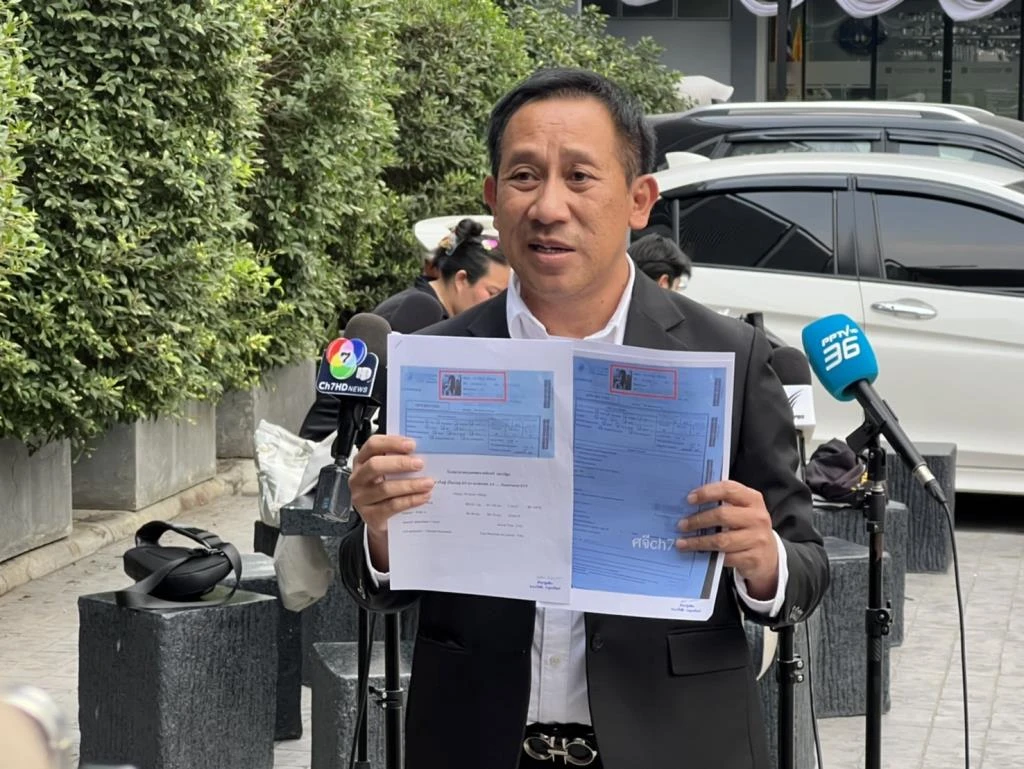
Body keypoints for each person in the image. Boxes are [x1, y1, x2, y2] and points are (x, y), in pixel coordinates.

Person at [340, 68, 829, 769]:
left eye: (579, 177)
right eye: (524, 176)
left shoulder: (729, 356)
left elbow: (806, 567)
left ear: (639, 199)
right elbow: (372, 578)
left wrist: (763, 558)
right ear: (493, 198)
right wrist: (381, 532)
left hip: (677, 746)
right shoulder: (435, 360)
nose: (548, 206)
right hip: (477, 743)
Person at [298, 218, 509, 440]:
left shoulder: (422, 305)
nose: (498, 304)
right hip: (338, 443)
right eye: (493, 293)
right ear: (461, 280)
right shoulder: (420, 313)